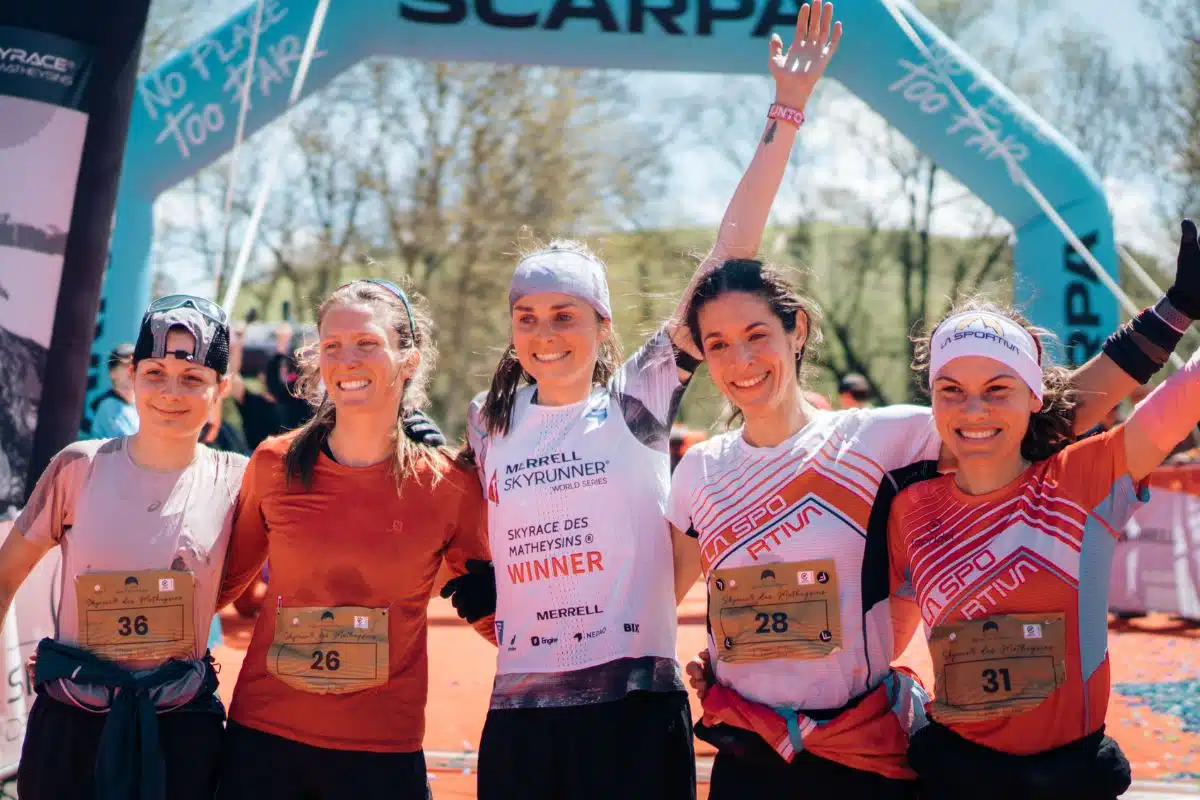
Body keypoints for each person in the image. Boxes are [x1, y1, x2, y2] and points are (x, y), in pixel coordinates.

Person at [444, 6, 844, 798]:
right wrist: (478, 586)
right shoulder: (489, 423)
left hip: (633, 713)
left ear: (602, 325)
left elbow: (729, 253)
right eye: (528, 317)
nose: (545, 333)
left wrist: (787, 112)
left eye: (565, 316)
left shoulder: (638, 397)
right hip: (521, 714)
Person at [673, 218, 1198, 797]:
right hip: (780, 753)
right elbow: (664, 598)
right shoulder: (704, 468)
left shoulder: (888, 440)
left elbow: (1048, 416)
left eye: (757, 334)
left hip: (888, 760)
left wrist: (1173, 313)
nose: (741, 359)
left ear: (796, 329)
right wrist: (744, 661)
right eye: (717, 344)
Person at [888, 297, 1200, 800]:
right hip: (954, 776)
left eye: (998, 389)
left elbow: (1185, 396)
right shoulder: (910, 507)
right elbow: (880, 640)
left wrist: (1179, 307)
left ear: (1033, 395)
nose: (974, 409)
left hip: (1069, 780)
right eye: (951, 390)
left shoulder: (1083, 476)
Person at [215, 279, 489, 800]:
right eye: (332, 346)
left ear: (408, 359)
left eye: (367, 343)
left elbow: (493, 614)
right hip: (266, 741)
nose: (347, 361)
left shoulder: (449, 484)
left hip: (381, 751)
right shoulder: (273, 464)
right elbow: (220, 588)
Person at [2, 295, 243, 800]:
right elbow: (4, 579)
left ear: (220, 388)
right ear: (132, 376)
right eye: (154, 373)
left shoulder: (237, 480)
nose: (170, 393)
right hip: (72, 727)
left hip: (178, 730)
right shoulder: (78, 467)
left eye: (192, 378)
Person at [84, 342, 140, 438]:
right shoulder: (107, 406)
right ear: (112, 373)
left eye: (136, 365)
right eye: (127, 365)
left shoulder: (141, 405)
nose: (132, 370)